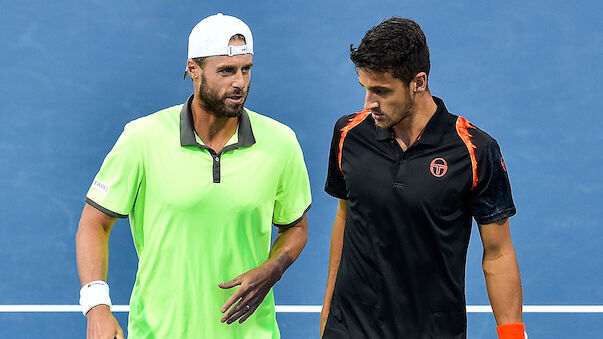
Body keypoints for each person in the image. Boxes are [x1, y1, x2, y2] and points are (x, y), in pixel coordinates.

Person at [76, 13, 311, 338]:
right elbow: (94, 222)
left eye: (246, 69)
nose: (240, 82)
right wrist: (97, 306)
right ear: (193, 70)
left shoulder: (281, 143)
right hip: (158, 331)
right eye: (227, 71)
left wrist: (274, 268)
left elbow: (295, 227)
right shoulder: (142, 138)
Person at [320, 17, 525, 339]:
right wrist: (328, 317)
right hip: (352, 327)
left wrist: (512, 334)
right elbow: (345, 219)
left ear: (418, 82)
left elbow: (498, 253)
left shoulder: (473, 150)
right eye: (365, 89)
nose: (369, 104)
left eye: (381, 91)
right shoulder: (348, 134)